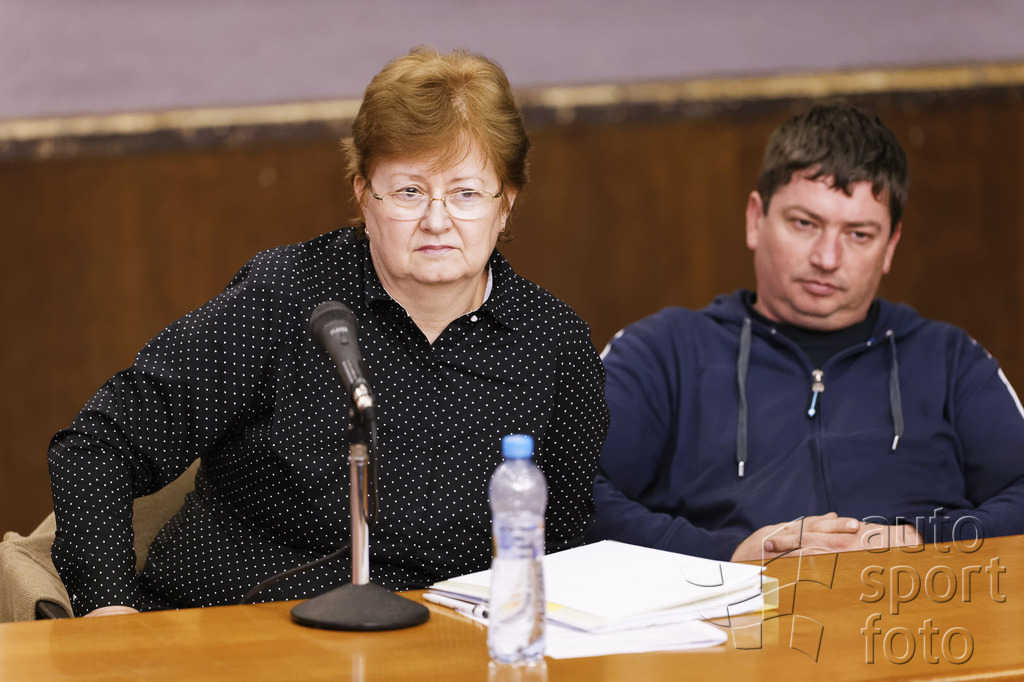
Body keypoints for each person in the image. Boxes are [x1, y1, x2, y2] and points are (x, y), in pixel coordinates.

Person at [48, 47, 609, 617]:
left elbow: (558, 546)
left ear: (505, 203)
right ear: (363, 194)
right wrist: (108, 613)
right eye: (409, 191)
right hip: (232, 628)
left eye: (466, 193)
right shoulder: (284, 298)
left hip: (437, 641)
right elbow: (98, 448)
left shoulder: (553, 345)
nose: (437, 220)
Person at [587, 103, 1024, 563]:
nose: (827, 258)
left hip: (918, 600)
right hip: (733, 604)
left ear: (890, 245)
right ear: (756, 219)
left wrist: (916, 540)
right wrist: (733, 554)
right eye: (804, 223)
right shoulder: (662, 352)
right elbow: (566, 491)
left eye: (859, 234)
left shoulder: (949, 359)